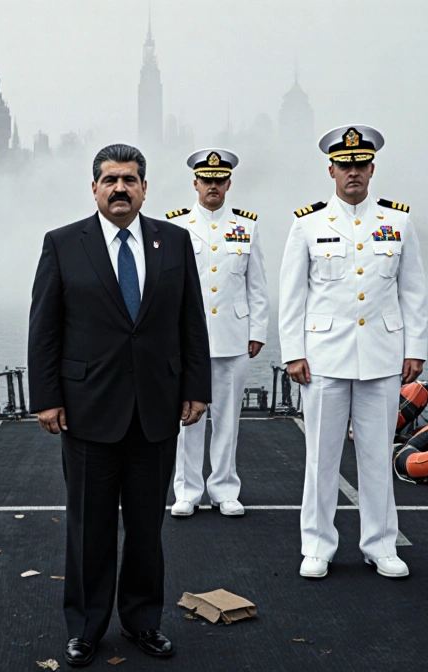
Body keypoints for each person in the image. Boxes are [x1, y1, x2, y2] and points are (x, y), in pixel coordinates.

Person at [28, 143, 211, 666]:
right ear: (94, 188)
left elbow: (190, 321)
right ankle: (85, 627)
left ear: (145, 188)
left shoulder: (173, 242)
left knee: (147, 528)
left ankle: (143, 622)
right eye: (110, 180)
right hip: (87, 410)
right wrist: (46, 399)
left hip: (156, 409)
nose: (120, 189)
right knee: (89, 526)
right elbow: (44, 330)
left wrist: (197, 387)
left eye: (130, 179)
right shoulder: (63, 244)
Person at [278, 125, 428, 580]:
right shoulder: (308, 223)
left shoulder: (398, 222)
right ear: (331, 170)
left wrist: (415, 348)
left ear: (372, 168)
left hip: (382, 356)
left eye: (360, 165)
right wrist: (293, 353)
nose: (353, 173)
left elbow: (414, 290)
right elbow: (292, 295)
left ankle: (380, 545)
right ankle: (318, 545)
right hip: (323, 356)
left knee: (376, 455)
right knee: (320, 458)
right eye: (345, 166)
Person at [166, 148, 269, 518]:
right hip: (186, 339)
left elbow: (256, 285)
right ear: (195, 183)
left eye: (219, 180)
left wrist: (257, 330)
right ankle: (187, 491)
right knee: (187, 418)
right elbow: (168, 287)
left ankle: (225, 488)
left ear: (228, 183)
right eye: (206, 180)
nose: (213, 186)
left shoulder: (247, 226)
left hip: (232, 336)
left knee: (228, 418)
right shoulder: (175, 226)